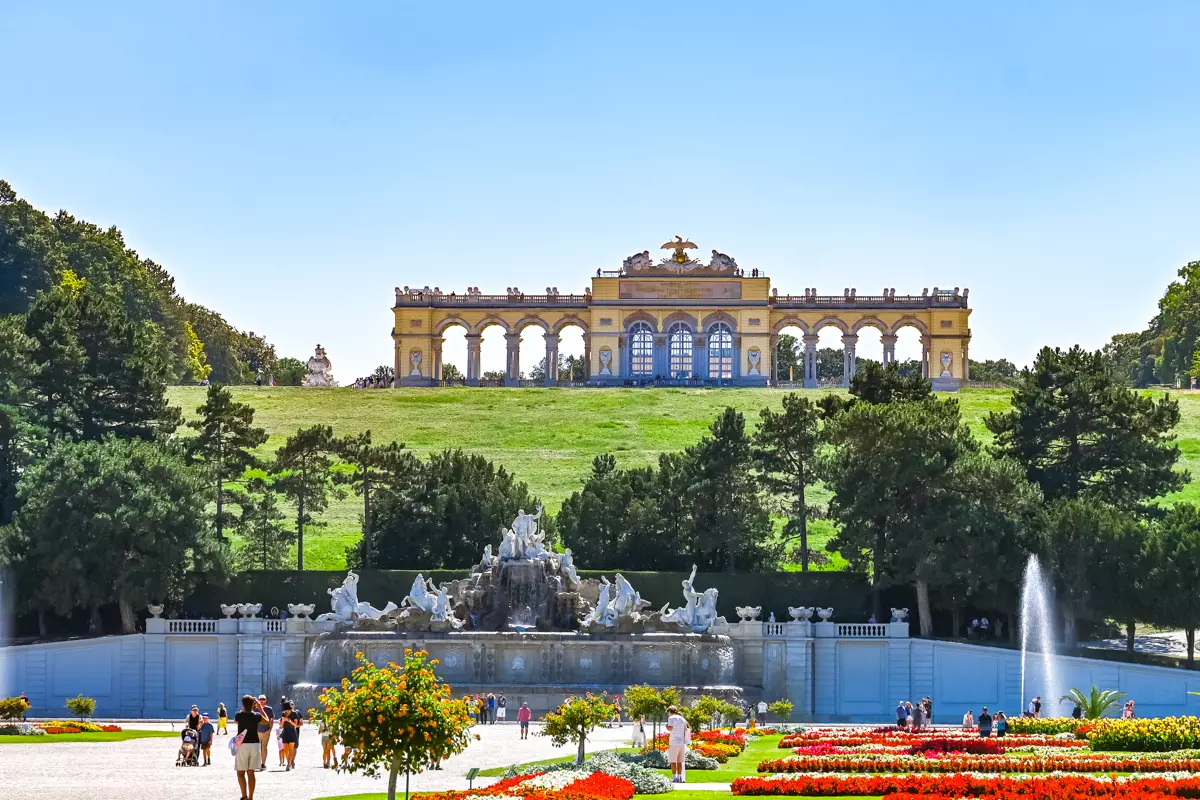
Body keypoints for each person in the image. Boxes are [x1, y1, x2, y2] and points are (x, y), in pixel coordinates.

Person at [234, 695, 268, 800]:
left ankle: (244, 795)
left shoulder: (239, 715)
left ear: (243, 704)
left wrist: (247, 707)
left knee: (240, 772)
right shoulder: (257, 716)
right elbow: (266, 721)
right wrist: (260, 708)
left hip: (242, 745)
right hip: (254, 744)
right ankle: (251, 797)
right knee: (251, 773)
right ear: (253, 704)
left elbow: (236, 721)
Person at [665, 705, 691, 784]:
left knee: (673, 761)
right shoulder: (682, 718)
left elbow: (670, 728)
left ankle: (674, 778)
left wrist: (666, 726)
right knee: (680, 761)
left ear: (670, 712)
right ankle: (679, 777)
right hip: (681, 743)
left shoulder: (671, 718)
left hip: (674, 742)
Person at [280, 701, 302, 770]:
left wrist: (289, 721)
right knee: (286, 749)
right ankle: (288, 762)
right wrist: (283, 721)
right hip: (285, 731)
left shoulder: (294, 713)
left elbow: (296, 725)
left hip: (292, 731)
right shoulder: (283, 714)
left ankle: (289, 764)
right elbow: (281, 726)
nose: (288, 711)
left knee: (291, 748)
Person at [257, 694, 275, 771]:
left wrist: (270, 730)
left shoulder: (269, 709)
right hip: (257, 731)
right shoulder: (255, 709)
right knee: (257, 748)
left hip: (266, 731)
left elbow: (271, 720)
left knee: (264, 747)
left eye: (263, 699)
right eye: (260, 699)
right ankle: (257, 763)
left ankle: (263, 763)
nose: (262, 701)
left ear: (266, 700)